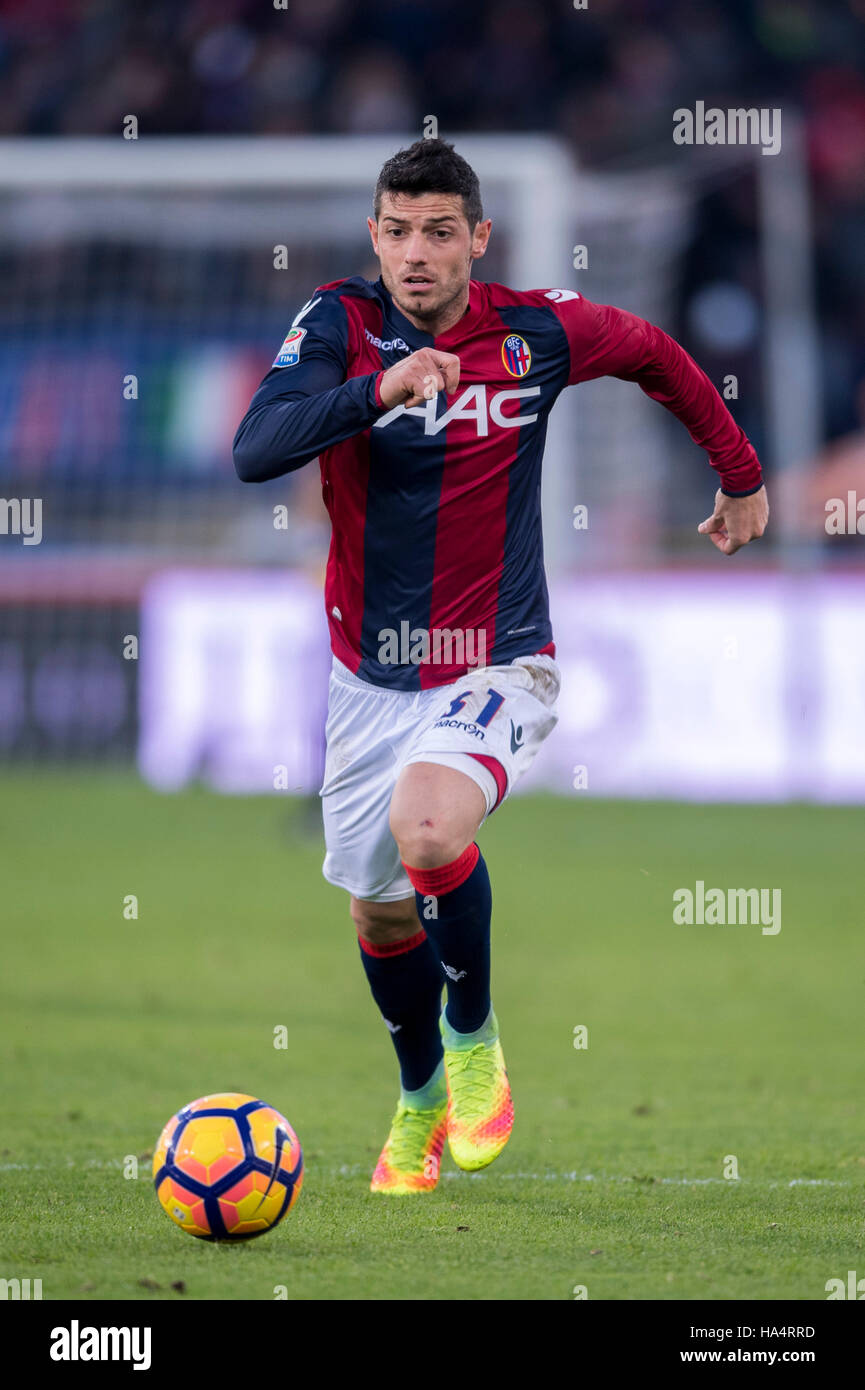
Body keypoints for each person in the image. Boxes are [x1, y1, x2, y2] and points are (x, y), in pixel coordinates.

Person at [233, 138, 768, 1194]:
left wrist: (740, 473)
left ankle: (473, 1040)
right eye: (396, 231)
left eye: (439, 232)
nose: (415, 253)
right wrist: (379, 391)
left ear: (479, 237)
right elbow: (257, 447)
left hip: (501, 661)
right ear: (374, 237)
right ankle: (421, 1093)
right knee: (380, 911)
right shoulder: (341, 326)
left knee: (429, 828)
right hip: (367, 679)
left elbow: (655, 350)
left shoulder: (535, 333)